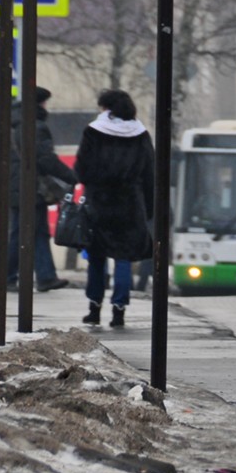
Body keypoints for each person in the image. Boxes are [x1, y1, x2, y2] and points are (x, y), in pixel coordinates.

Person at [74, 89, 155, 328]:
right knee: (123, 258)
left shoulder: (93, 131)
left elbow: (82, 169)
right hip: (130, 204)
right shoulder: (141, 134)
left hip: (99, 202)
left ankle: (94, 308)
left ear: (106, 108)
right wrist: (148, 209)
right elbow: (149, 174)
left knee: (97, 258)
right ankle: (119, 309)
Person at [7, 86, 76, 291]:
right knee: (23, 232)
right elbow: (44, 158)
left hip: (18, 186)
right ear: (39, 104)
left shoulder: (14, 124)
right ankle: (8, 275)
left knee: (36, 232)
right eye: (45, 103)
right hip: (30, 187)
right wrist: (70, 176)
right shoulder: (34, 126)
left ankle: (45, 276)